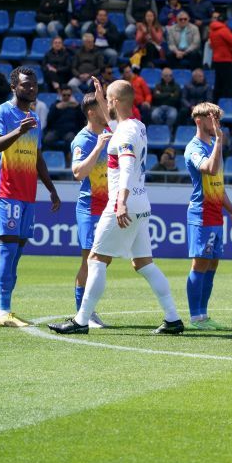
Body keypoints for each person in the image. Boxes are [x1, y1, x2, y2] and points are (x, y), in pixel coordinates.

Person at [48, 79, 184, 335]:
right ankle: (173, 318)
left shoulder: (123, 134)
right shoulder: (137, 126)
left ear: (116, 102)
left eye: (108, 100)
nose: (105, 104)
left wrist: (120, 202)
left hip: (124, 202)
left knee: (96, 259)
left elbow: (127, 167)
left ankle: (81, 321)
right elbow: (116, 126)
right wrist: (101, 96)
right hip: (141, 202)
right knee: (143, 263)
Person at [0, 67, 61, 327]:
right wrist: (19, 131)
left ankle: (4, 310)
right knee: (8, 249)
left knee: (17, 252)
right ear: (14, 87)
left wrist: (51, 188)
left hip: (27, 193)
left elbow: (37, 156)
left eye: (34, 85)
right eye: (25, 85)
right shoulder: (1, 112)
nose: (31, 88)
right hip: (6, 190)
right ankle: (3, 310)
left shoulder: (34, 118)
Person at [184, 102, 232, 329]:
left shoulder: (212, 146)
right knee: (200, 264)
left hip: (216, 213)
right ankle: (195, 317)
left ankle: (204, 314)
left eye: (218, 119)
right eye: (213, 119)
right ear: (199, 121)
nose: (217, 124)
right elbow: (208, 169)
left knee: (212, 265)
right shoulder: (194, 148)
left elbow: (218, 185)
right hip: (201, 213)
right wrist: (219, 141)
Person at [69, 87, 112, 327]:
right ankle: (83, 313)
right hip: (91, 208)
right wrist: (97, 148)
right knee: (89, 261)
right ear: (91, 112)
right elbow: (77, 173)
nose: (107, 111)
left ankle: (88, 310)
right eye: (102, 107)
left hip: (108, 208)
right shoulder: (83, 140)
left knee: (104, 260)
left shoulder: (109, 133)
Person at [208, 14, 232, 100]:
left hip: (216, 59)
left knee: (218, 83)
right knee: (228, 83)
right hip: (225, 59)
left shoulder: (212, 31)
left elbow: (213, 45)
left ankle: (216, 101)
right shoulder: (224, 30)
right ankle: (228, 102)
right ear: (226, 21)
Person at [43, 87, 84, 151]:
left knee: (71, 140)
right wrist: (55, 108)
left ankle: (68, 156)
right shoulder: (55, 105)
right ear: (61, 95)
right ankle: (52, 155)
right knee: (47, 139)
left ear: (71, 95)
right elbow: (49, 120)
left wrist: (78, 107)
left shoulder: (76, 106)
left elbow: (82, 120)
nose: (66, 97)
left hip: (70, 131)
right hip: (56, 130)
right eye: (64, 95)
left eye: (68, 95)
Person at [68, 33, 104, 98]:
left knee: (92, 85)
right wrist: (79, 75)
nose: (91, 44)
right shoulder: (78, 52)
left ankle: (89, 99)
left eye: (92, 42)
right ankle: (82, 98)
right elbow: (73, 67)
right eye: (89, 42)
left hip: (92, 76)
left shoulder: (98, 53)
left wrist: (89, 75)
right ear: (84, 43)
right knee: (71, 84)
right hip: (80, 76)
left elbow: (100, 68)